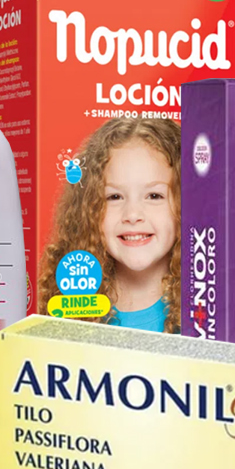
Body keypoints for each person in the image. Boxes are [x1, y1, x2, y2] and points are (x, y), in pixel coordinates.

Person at [38, 117, 181, 333]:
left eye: (154, 195)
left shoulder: (205, 312)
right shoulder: (70, 310)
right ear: (89, 210)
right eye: (114, 197)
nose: (132, 215)